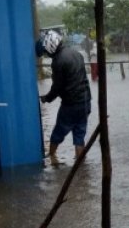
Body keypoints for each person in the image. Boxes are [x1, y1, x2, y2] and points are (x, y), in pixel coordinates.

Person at [36, 30, 92, 164]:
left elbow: (57, 87)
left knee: (58, 133)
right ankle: (81, 166)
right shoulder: (76, 54)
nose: (47, 54)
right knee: (79, 135)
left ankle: (51, 158)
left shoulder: (58, 62)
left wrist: (46, 98)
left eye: (46, 52)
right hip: (85, 101)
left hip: (70, 104)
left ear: (50, 46)